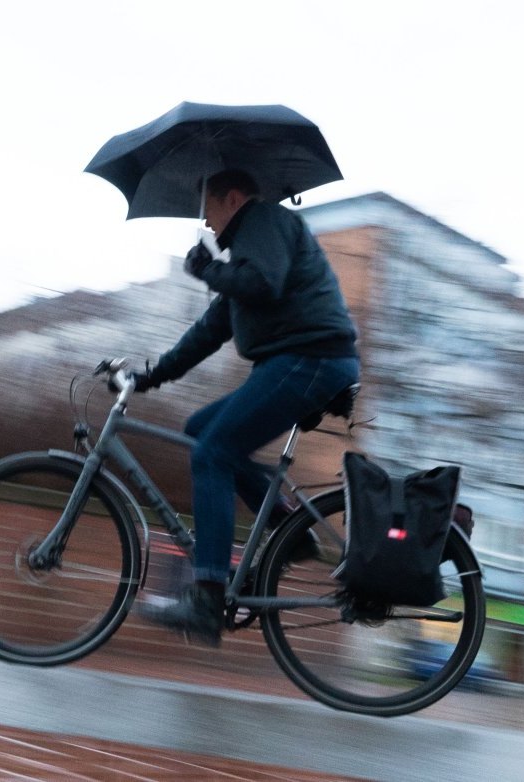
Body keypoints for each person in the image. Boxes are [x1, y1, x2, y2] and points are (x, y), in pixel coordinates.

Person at [134, 168, 360, 646]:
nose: (206, 222)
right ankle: (288, 529)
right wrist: (153, 374)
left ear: (232, 198)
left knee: (213, 453)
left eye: (208, 209)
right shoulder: (246, 253)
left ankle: (207, 596)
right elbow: (211, 329)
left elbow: (262, 284)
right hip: (296, 363)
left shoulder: (264, 221)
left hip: (311, 360)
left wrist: (206, 270)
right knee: (202, 430)